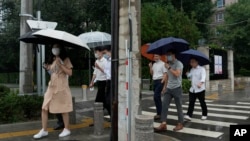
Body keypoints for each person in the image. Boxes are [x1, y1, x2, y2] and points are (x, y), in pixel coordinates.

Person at [33, 44, 73, 139]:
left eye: (57, 47)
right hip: (51, 86)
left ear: (61, 49)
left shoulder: (65, 59)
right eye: (53, 47)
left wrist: (61, 65)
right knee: (44, 107)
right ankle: (44, 130)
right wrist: (47, 67)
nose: (54, 49)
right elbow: (52, 71)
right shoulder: (52, 59)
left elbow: (70, 73)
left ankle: (66, 129)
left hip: (61, 86)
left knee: (63, 109)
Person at [155, 49, 184, 132]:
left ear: (174, 55)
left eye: (169, 54)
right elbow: (167, 76)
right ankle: (163, 123)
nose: (168, 56)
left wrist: (169, 67)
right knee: (164, 105)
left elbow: (177, 74)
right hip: (169, 88)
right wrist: (165, 86)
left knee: (179, 107)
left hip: (177, 88)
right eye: (167, 54)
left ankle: (180, 123)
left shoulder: (179, 64)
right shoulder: (168, 64)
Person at [148, 54, 167, 120]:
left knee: (156, 96)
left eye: (157, 56)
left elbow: (165, 74)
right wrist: (150, 67)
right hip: (155, 81)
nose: (155, 57)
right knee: (157, 98)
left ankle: (160, 113)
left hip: (160, 80)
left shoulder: (163, 64)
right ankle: (160, 112)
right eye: (154, 56)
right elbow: (152, 73)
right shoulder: (154, 64)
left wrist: (162, 82)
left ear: (160, 56)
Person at [102, 45, 112, 117]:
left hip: (112, 82)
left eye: (105, 53)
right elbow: (106, 72)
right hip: (108, 81)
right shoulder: (107, 60)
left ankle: (113, 116)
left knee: (108, 101)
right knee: (106, 101)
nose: (105, 55)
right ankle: (112, 116)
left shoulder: (112, 60)